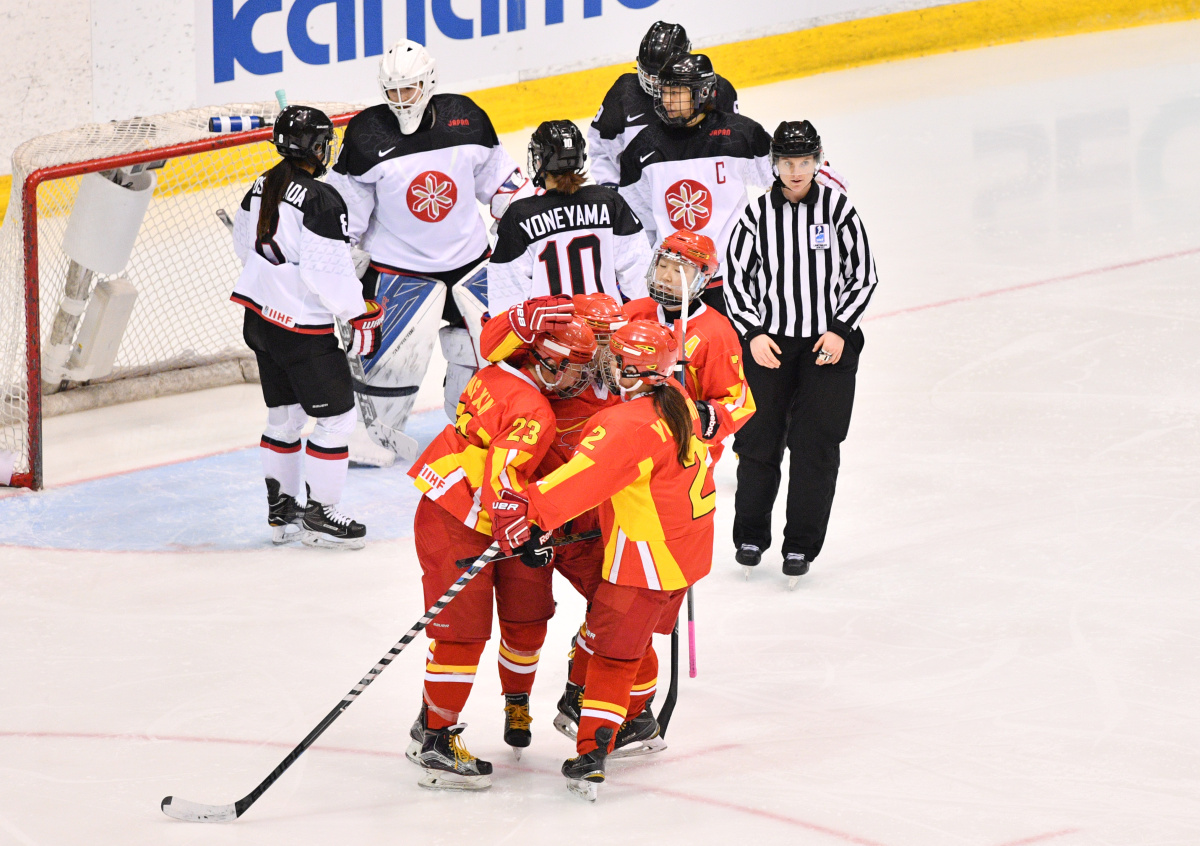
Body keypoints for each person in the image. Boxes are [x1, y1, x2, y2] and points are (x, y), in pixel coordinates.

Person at [493, 319, 717, 801]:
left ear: (631, 370)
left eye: (615, 359)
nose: (607, 365)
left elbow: (582, 480)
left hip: (646, 560)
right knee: (621, 641)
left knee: (612, 656)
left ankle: (592, 754)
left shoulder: (624, 424)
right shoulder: (677, 397)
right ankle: (633, 720)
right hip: (687, 552)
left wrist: (526, 509)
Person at [403, 316, 596, 790]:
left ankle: (445, 719)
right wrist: (522, 537)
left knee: (525, 616)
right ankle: (436, 741)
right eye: (576, 368)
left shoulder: (497, 369)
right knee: (460, 636)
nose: (582, 379)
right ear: (549, 362)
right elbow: (503, 481)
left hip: (461, 505)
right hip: (460, 521)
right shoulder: (535, 410)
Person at [480, 294, 665, 759]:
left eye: (610, 343)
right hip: (533, 525)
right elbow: (490, 347)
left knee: (617, 618)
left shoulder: (630, 386)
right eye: (596, 342)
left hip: (590, 529)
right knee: (524, 623)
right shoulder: (546, 367)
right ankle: (516, 703)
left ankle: (626, 710)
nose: (604, 354)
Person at [327, 39, 534, 447]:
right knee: (392, 370)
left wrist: (517, 221)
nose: (401, 100)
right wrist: (341, 254)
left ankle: (471, 422)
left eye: (409, 89)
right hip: (397, 270)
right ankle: (378, 437)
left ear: (428, 82)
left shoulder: (467, 120)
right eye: (393, 92)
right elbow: (345, 208)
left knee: (489, 351)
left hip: (470, 263)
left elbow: (502, 183)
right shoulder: (367, 135)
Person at [724, 120, 879, 586]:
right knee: (757, 442)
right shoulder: (755, 215)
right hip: (770, 345)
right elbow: (736, 279)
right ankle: (751, 537)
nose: (796, 171)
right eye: (788, 162)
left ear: (817, 161)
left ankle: (800, 545)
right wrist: (753, 332)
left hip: (826, 346)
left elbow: (863, 275)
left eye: (805, 161)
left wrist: (840, 330)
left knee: (816, 447)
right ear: (775, 164)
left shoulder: (838, 209)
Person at [230, 105, 385, 550]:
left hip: (259, 320)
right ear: (317, 147)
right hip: (302, 332)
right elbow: (327, 275)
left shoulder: (261, 183)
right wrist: (357, 312)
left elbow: (243, 245)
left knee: (285, 417)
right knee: (337, 419)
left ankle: (282, 512)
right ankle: (321, 514)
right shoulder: (320, 199)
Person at [617, 52, 773, 316]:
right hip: (672, 286)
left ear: (702, 93)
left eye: (676, 93)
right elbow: (640, 223)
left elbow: (781, 180)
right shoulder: (642, 147)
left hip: (733, 277)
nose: (667, 101)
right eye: (664, 92)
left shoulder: (739, 135)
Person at [488, 120, 652, 313]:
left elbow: (507, 298)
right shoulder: (610, 202)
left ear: (539, 161)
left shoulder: (519, 216)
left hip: (551, 330)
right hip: (608, 325)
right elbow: (640, 274)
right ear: (580, 157)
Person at [624, 229, 755, 463]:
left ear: (702, 279)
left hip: (685, 451)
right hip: (630, 440)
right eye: (663, 265)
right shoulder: (632, 313)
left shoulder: (716, 332)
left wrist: (693, 422)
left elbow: (737, 403)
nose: (666, 277)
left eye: (679, 270)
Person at [586, 21, 739, 189]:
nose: (654, 83)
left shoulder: (716, 90)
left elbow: (732, 146)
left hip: (701, 196)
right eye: (648, 74)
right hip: (642, 202)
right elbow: (601, 147)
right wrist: (610, 186)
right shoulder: (624, 92)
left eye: (660, 77)